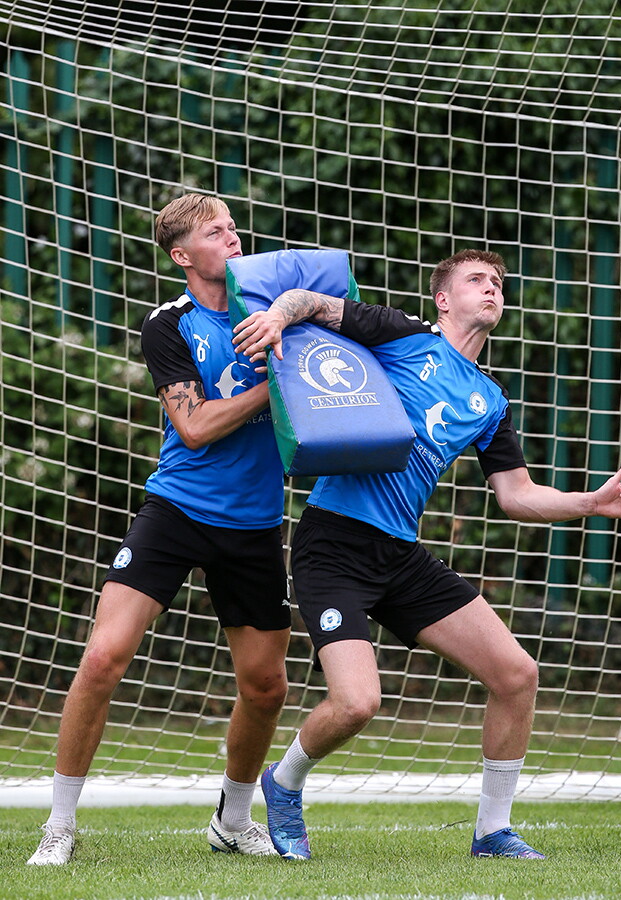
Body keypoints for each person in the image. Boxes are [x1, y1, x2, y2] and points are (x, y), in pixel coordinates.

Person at [232, 248, 621, 861]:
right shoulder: (403, 335)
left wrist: (590, 502)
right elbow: (313, 304)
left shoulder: (490, 399)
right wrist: (278, 317)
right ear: (443, 299)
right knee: (357, 703)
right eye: (477, 280)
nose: (492, 288)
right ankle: (285, 781)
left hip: (401, 555)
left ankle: (493, 832)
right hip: (334, 542)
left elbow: (516, 495)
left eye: (498, 282)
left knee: (517, 675)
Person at [27, 193, 291, 865]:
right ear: (182, 255)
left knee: (267, 687)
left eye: (233, 228)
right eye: (215, 231)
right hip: (177, 509)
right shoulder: (168, 324)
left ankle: (233, 819)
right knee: (103, 658)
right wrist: (279, 386)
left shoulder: (277, 311)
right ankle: (59, 826)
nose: (233, 238)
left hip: (256, 522)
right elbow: (194, 428)